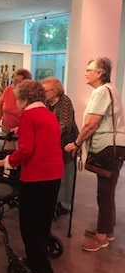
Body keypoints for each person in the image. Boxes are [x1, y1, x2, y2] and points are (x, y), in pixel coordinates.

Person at [0, 79, 63, 273]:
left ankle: (40, 269)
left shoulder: (29, 115)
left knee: (29, 224)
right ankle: (39, 261)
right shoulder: (49, 114)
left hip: (36, 176)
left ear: (24, 98)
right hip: (54, 174)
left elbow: (25, 151)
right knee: (42, 221)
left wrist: (3, 162)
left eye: (17, 99)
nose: (16, 104)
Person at [65, 57, 125, 252]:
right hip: (116, 147)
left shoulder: (101, 91)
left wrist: (76, 143)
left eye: (89, 69)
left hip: (108, 147)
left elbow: (92, 123)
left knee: (104, 193)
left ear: (100, 73)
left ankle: (101, 237)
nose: (85, 72)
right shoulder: (111, 89)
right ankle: (106, 230)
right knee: (107, 191)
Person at [42, 77, 79, 215]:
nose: (44, 93)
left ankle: (65, 204)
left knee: (66, 174)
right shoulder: (45, 103)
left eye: (46, 90)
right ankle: (54, 200)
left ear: (56, 90)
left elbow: (64, 124)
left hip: (66, 143)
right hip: (52, 143)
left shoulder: (65, 101)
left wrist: (47, 133)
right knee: (54, 173)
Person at [0, 68, 32, 135]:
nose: (15, 83)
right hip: (6, 129)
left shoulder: (29, 95)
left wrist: (21, 128)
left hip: (21, 131)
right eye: (14, 80)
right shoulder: (8, 90)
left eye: (18, 81)